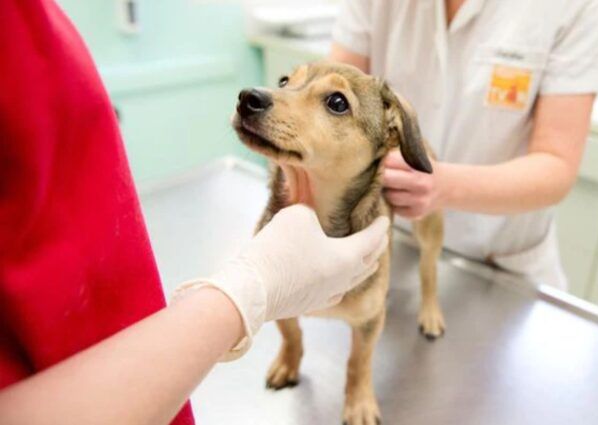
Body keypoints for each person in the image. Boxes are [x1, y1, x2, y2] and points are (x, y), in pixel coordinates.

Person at [0, 1, 389, 424]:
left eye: (333, 102)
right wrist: (254, 290)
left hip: (124, 357)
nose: (268, 95)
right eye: (283, 82)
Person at [330, 0, 598, 289]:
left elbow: (556, 165)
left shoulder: (577, 6)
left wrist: (442, 185)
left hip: (499, 264)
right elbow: (332, 106)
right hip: (386, 244)